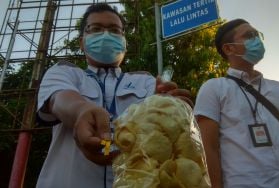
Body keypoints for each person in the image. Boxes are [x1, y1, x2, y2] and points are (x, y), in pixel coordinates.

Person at [35, 3, 192, 188]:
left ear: (124, 42)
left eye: (114, 30)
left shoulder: (148, 83)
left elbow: (166, 135)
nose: (106, 34)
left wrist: (175, 111)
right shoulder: (63, 72)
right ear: (82, 41)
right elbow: (59, 98)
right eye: (96, 28)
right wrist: (81, 111)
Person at [194, 19, 279, 188]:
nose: (256, 40)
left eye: (257, 35)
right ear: (229, 48)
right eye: (249, 36)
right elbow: (208, 147)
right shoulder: (214, 88)